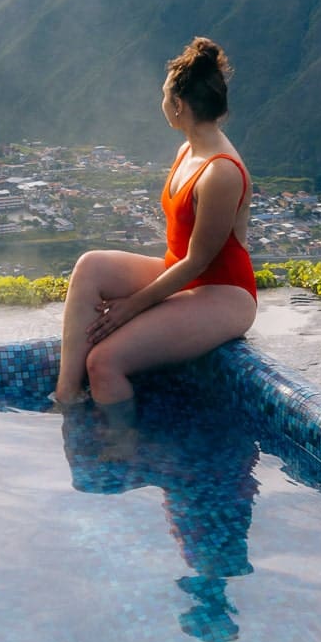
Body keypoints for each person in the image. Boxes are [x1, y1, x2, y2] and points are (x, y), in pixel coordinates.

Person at [53, 37, 257, 408]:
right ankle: (66, 396)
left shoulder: (221, 173)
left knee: (104, 362)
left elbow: (198, 262)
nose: (162, 104)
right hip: (182, 275)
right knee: (90, 267)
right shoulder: (188, 151)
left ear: (178, 105)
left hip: (223, 293)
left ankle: (121, 453)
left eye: (165, 97)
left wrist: (133, 306)